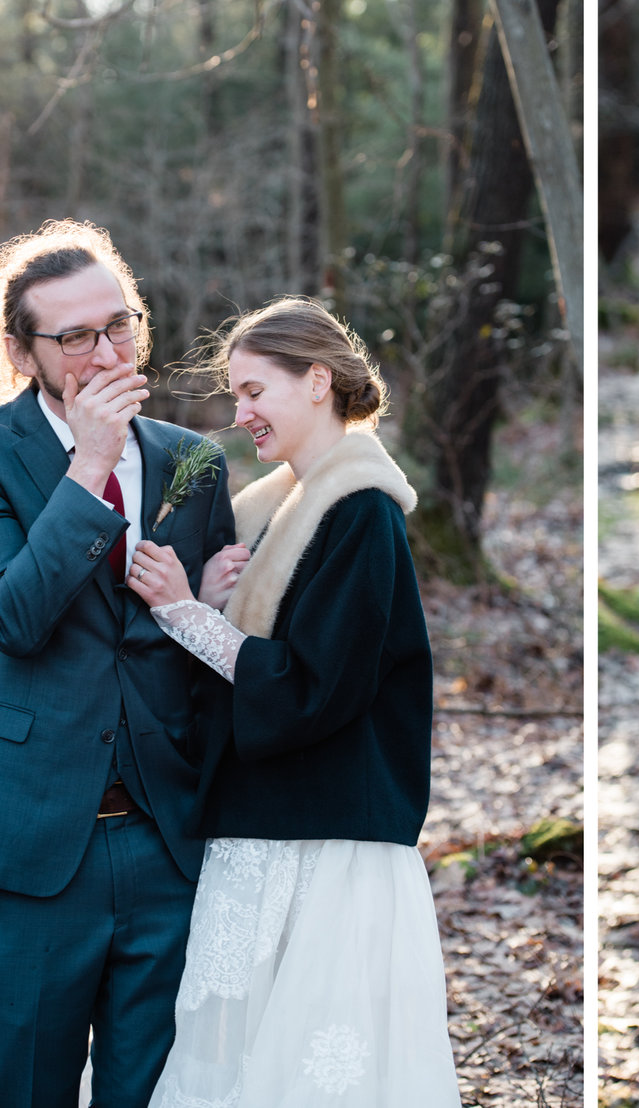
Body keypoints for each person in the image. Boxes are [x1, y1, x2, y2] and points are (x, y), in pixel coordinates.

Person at [0, 219, 239, 1107]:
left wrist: (203, 608)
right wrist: (91, 465)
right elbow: (12, 620)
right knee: (28, 1089)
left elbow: (193, 654)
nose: (107, 352)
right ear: (23, 353)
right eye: (75, 337)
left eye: (121, 324)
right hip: (29, 839)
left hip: (167, 838)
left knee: (152, 1092)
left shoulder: (192, 462)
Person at [126, 297, 459, 1105]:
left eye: (253, 392)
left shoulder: (361, 512)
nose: (239, 416)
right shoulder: (276, 512)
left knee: (311, 1067)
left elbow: (322, 685)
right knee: (240, 1058)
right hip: (262, 828)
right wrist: (207, 598)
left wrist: (183, 614)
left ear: (317, 381)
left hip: (327, 842)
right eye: (234, 395)